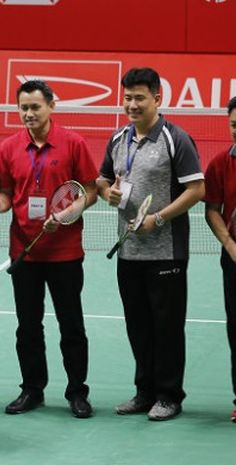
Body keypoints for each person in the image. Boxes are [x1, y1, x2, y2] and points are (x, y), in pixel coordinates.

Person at [0, 80, 97, 418]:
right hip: (25, 252)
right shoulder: (8, 148)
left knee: (71, 325)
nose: (29, 113)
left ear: (51, 106)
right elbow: (6, 191)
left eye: (35, 107)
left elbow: (90, 191)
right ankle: (32, 389)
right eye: (24, 107)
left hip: (64, 253)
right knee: (28, 326)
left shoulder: (73, 143)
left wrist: (65, 214)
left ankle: (77, 392)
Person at [97, 67, 205, 421]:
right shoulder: (118, 139)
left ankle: (169, 395)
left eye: (139, 97)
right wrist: (108, 193)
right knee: (138, 324)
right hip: (128, 251)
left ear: (158, 98)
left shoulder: (176, 138)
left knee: (167, 326)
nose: (131, 104)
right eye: (127, 97)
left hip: (166, 251)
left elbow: (197, 190)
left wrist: (157, 219)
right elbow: (101, 181)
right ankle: (144, 392)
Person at [203, 97, 236, 422]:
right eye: (235, 124)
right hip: (234, 260)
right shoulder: (220, 164)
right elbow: (211, 209)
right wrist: (228, 243)